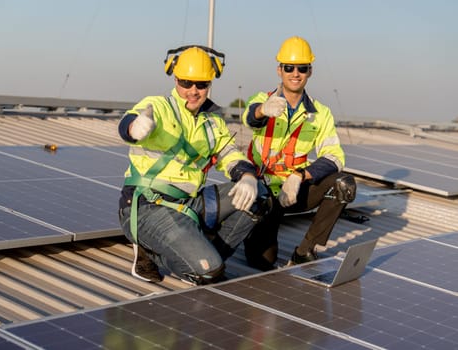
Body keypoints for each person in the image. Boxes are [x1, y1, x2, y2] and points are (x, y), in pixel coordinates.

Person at [118, 45, 270, 285]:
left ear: (209, 84)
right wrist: (133, 127)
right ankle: (152, 253)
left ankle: (204, 255)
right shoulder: (158, 107)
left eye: (201, 84)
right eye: (186, 82)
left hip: (190, 203)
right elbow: (130, 122)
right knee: (207, 272)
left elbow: (229, 154)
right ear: (175, 78)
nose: (193, 91)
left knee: (259, 195)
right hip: (149, 205)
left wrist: (248, 176)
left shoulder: (213, 120)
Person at [241, 36, 357, 271]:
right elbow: (249, 118)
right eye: (289, 68)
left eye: (302, 68)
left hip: (295, 191)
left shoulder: (320, 113)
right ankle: (255, 230)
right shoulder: (263, 100)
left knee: (343, 184)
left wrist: (300, 176)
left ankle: (305, 250)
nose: (295, 73)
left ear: (309, 71)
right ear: (279, 70)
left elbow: (335, 156)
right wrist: (263, 110)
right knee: (261, 262)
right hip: (265, 194)